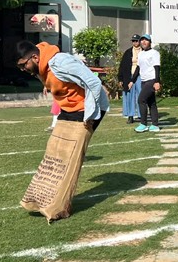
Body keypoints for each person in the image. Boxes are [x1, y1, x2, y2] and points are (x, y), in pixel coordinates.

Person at [15, 40, 109, 222]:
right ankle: (39, 200)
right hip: (69, 109)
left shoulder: (61, 62)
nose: (23, 69)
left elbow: (94, 83)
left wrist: (89, 115)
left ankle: (58, 207)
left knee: (71, 158)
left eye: (23, 65)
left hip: (87, 109)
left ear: (34, 57)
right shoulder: (41, 65)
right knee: (54, 152)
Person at [129, 34, 161, 132]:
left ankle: (143, 123)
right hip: (143, 80)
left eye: (146, 40)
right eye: (142, 40)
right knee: (151, 103)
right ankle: (155, 125)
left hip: (151, 80)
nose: (143, 42)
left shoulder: (154, 53)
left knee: (141, 100)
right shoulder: (141, 54)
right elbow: (138, 68)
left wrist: (157, 81)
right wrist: (132, 80)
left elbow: (157, 68)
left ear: (150, 42)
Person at [118, 34, 142, 123]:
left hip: (140, 75)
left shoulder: (143, 52)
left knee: (140, 94)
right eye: (133, 41)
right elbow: (122, 65)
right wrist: (120, 78)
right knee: (130, 95)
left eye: (136, 40)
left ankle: (140, 114)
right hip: (129, 75)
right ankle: (130, 115)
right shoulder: (128, 52)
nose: (135, 42)